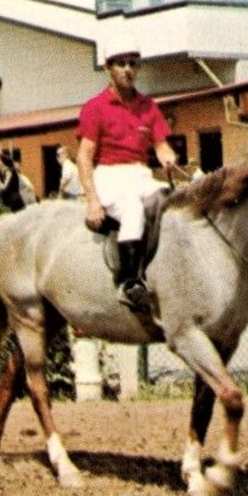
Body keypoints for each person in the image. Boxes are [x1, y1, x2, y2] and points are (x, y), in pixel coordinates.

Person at [78, 39, 177, 310]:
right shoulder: (95, 107)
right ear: (108, 68)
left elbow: (161, 145)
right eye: (121, 63)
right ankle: (129, 282)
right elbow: (84, 156)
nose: (128, 69)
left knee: (170, 199)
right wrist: (92, 201)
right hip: (109, 177)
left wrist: (167, 156)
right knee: (132, 209)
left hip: (140, 175)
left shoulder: (148, 106)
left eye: (133, 63)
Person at [0, 149, 30, 213]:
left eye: (0, 162)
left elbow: (4, 187)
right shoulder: (7, 172)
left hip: (15, 200)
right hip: (13, 199)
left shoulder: (9, 172)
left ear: (4, 164)